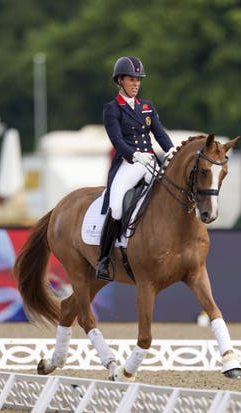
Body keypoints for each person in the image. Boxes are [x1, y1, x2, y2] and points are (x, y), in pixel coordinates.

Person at [96, 56, 175, 281]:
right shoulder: (112, 109)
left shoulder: (147, 107)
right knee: (117, 206)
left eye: (138, 80)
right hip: (128, 163)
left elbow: (159, 133)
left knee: (173, 193)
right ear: (120, 80)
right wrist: (133, 154)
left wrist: (170, 151)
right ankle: (103, 259)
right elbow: (116, 140)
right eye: (131, 79)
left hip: (150, 162)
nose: (136, 84)